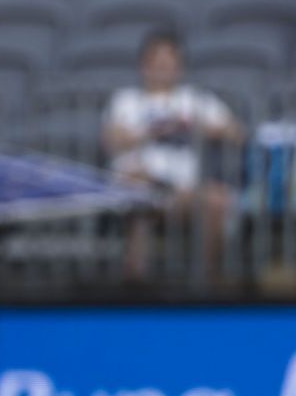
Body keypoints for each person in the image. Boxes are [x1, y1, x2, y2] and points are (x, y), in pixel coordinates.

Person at [103, 30, 247, 277]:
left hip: (183, 191)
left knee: (217, 200)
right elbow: (110, 139)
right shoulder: (125, 99)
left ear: (179, 68)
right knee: (140, 191)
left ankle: (205, 285)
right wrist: (153, 131)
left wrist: (203, 127)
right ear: (144, 66)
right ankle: (135, 284)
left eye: (169, 64)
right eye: (157, 64)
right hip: (139, 184)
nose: (163, 69)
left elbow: (237, 133)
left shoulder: (194, 99)